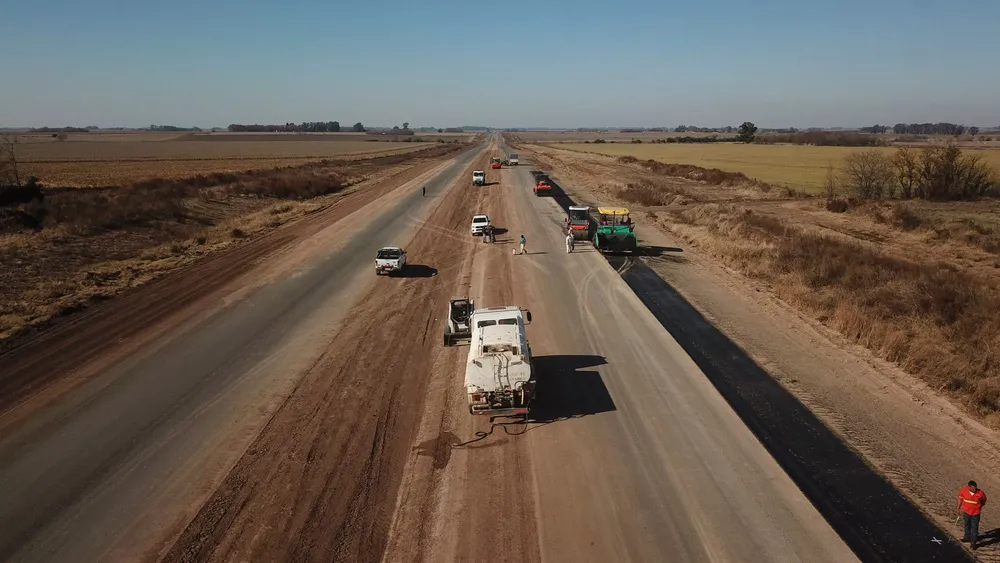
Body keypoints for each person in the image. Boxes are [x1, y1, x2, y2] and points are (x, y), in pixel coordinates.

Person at [958, 480, 987, 549]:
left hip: (975, 513)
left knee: (974, 528)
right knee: (967, 524)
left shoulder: (980, 493)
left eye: (975, 488)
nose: (974, 489)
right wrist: (958, 508)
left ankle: (973, 543)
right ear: (969, 487)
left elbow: (984, 500)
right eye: (973, 488)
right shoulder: (963, 491)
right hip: (966, 511)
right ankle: (967, 537)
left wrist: (979, 507)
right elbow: (960, 499)